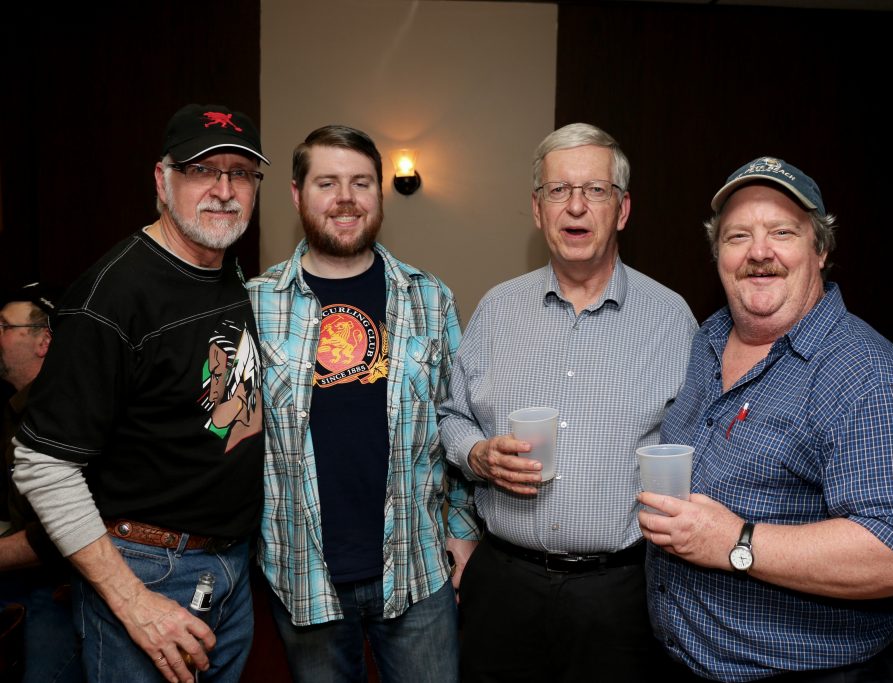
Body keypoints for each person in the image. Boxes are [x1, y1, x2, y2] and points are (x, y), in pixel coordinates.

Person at [639, 157, 893, 682]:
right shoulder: (707, 339)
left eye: (782, 232)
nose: (759, 252)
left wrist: (737, 542)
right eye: (739, 236)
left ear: (821, 249)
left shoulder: (869, 376)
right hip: (680, 659)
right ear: (719, 255)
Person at [12, 103, 268, 683]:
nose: (224, 191)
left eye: (241, 173)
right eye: (203, 170)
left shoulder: (226, 270)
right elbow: (41, 464)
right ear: (162, 180)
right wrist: (132, 602)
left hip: (229, 565)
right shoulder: (110, 298)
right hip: (149, 572)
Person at [439, 122, 698, 682]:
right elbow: (452, 416)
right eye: (559, 191)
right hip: (504, 582)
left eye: (595, 191)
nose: (575, 206)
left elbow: (701, 445)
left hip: (622, 593)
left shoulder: (672, 319)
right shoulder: (497, 310)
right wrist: (478, 454)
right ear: (538, 210)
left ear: (622, 210)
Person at [246, 124, 479, 683]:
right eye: (327, 182)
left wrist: (463, 530)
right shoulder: (253, 305)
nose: (346, 198)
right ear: (298, 195)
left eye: (361, 182)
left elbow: (460, 419)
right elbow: (227, 438)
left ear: (379, 194)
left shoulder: (430, 297)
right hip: (302, 572)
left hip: (419, 567)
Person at [0, 281, 85, 683]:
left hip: (65, 586)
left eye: (3, 325)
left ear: (43, 342)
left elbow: (59, 531)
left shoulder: (59, 413)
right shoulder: (14, 409)